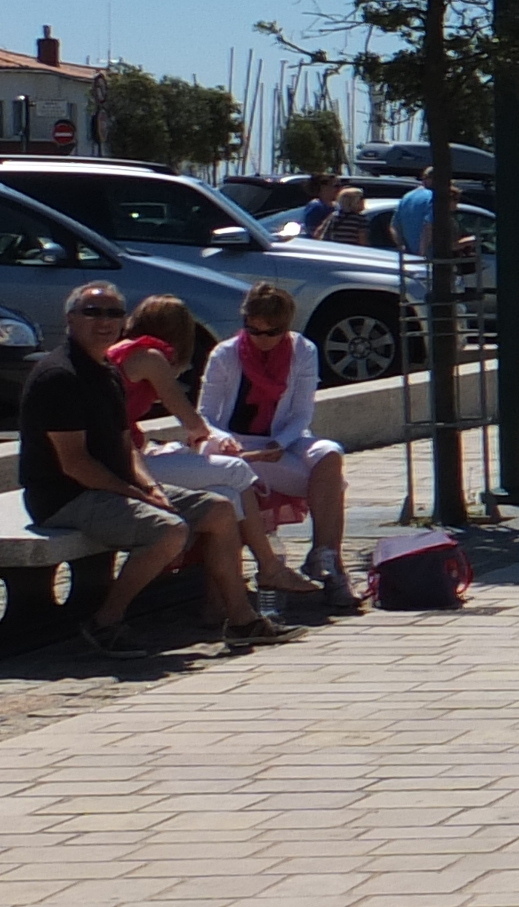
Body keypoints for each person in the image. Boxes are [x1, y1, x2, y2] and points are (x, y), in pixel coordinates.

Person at [17, 284, 280, 657]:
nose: (104, 322)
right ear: (71, 319)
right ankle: (105, 622)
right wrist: (137, 496)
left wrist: (150, 486)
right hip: (66, 496)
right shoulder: (59, 377)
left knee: (220, 509)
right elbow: (75, 464)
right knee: (169, 531)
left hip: (113, 488)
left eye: (113, 313)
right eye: (92, 312)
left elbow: (127, 447)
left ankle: (240, 619)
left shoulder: (106, 370)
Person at [110, 296, 316, 619]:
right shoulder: (150, 356)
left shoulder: (121, 353)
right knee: (234, 469)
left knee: (227, 497)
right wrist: (216, 441)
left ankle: (218, 604)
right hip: (125, 464)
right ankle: (270, 566)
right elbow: (191, 420)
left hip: (125, 455)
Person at [197, 280, 362, 612]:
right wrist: (222, 438)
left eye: (271, 333)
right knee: (330, 485)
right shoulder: (225, 354)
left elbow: (301, 413)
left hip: (284, 440)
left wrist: (279, 443)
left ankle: (324, 557)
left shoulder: (303, 351)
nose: (261, 340)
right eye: (253, 331)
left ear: (285, 328)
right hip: (237, 446)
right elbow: (205, 415)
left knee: (330, 454)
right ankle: (329, 571)